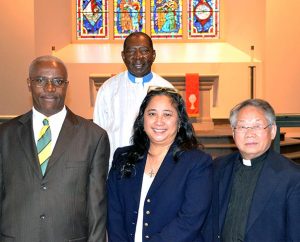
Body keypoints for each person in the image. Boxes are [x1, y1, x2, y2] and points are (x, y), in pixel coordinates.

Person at [0, 55, 110, 242]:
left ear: (66, 85)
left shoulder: (94, 137)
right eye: (40, 80)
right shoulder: (5, 135)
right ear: (29, 84)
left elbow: (96, 207)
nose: (50, 88)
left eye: (57, 81)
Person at [107, 87, 213, 242]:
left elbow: (189, 220)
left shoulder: (197, 162)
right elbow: (114, 213)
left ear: (179, 122)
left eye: (167, 114)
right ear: (142, 120)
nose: (159, 121)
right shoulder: (123, 157)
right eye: (152, 113)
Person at [206, 99, 300, 242]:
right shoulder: (218, 167)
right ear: (233, 132)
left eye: (257, 126)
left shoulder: (292, 177)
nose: (249, 133)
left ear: (273, 131)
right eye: (242, 127)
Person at [93, 32, 173, 167]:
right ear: (123, 56)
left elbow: (174, 134)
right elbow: (98, 135)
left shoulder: (167, 89)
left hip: (157, 168)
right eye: (131, 51)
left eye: (144, 51)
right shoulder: (108, 89)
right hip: (117, 167)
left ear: (153, 55)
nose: (138, 57)